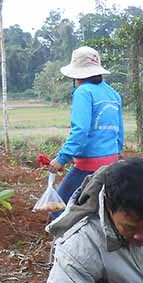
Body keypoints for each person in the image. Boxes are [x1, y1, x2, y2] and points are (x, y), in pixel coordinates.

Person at [48, 46, 124, 213]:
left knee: (58, 207)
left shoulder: (83, 92)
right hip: (112, 163)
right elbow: (119, 134)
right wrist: (115, 155)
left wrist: (62, 159)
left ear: (76, 74)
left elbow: (80, 130)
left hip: (88, 166)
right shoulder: (113, 94)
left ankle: (60, 239)